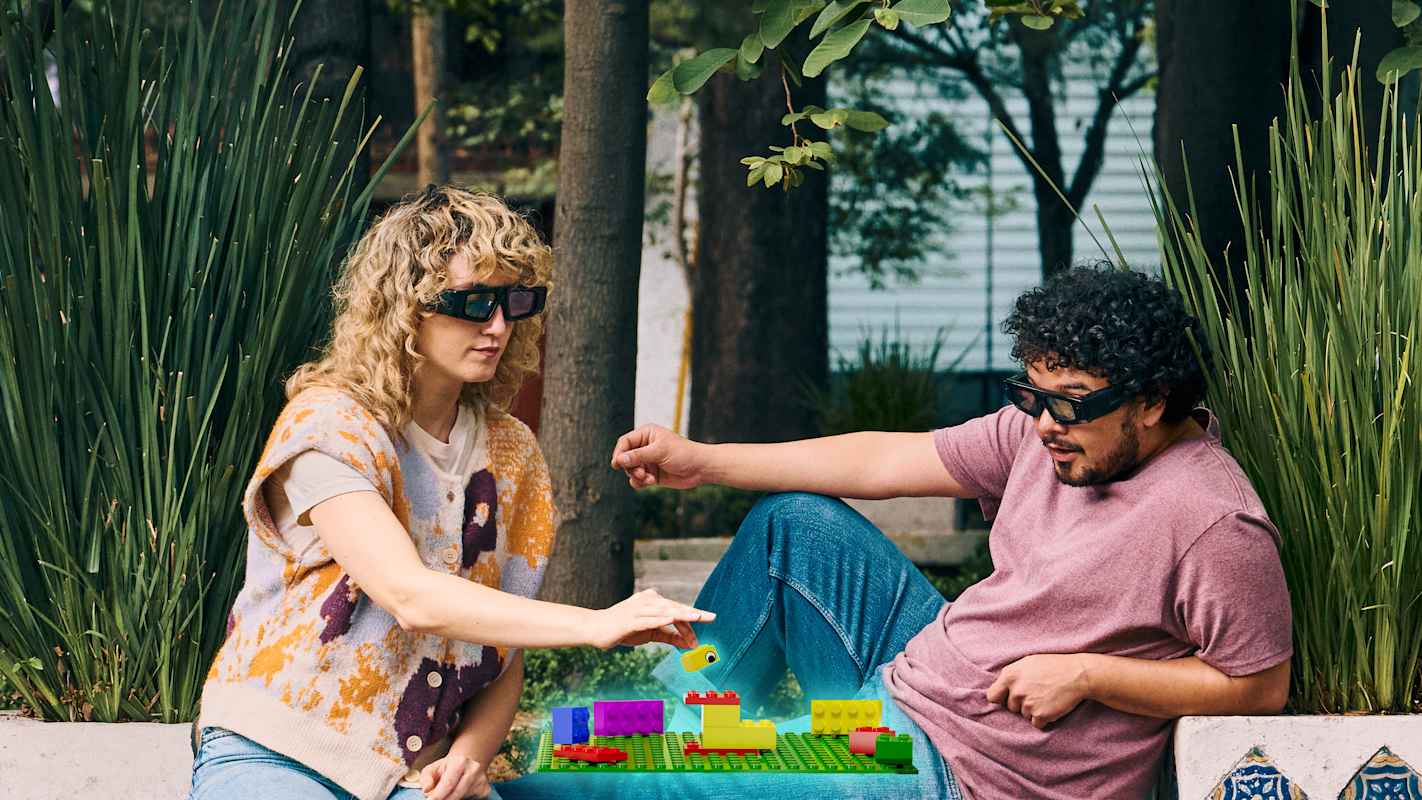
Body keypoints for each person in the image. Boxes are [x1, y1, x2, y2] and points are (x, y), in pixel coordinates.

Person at [503, 266, 1292, 799]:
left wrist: (1087, 674)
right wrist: (702, 460)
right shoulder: (1044, 433)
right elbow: (887, 458)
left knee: (647, 774)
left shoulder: (1213, 522)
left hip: (955, 771)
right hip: (911, 683)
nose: (1047, 423)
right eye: (1035, 394)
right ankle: (687, 718)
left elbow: (1260, 685)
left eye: (1074, 402)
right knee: (794, 525)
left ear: (1152, 402)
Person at [188, 186, 713, 800]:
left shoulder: (513, 453)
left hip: (418, 779)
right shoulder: (330, 425)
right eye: (470, 303)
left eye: (512, 301)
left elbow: (502, 653)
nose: (496, 326)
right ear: (403, 309)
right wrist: (597, 623)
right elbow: (409, 594)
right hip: (279, 749)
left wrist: (469, 756)